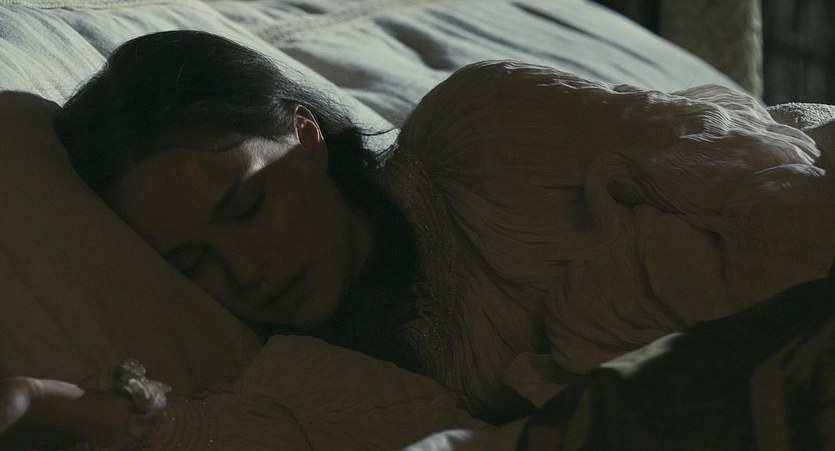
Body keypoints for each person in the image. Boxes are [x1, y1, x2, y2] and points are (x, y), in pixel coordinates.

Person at [4, 29, 835, 448]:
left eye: (247, 207)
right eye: (193, 263)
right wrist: (41, 399)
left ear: (306, 136)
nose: (243, 270)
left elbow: (752, 180)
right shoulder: (319, 367)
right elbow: (249, 432)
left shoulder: (479, 129)